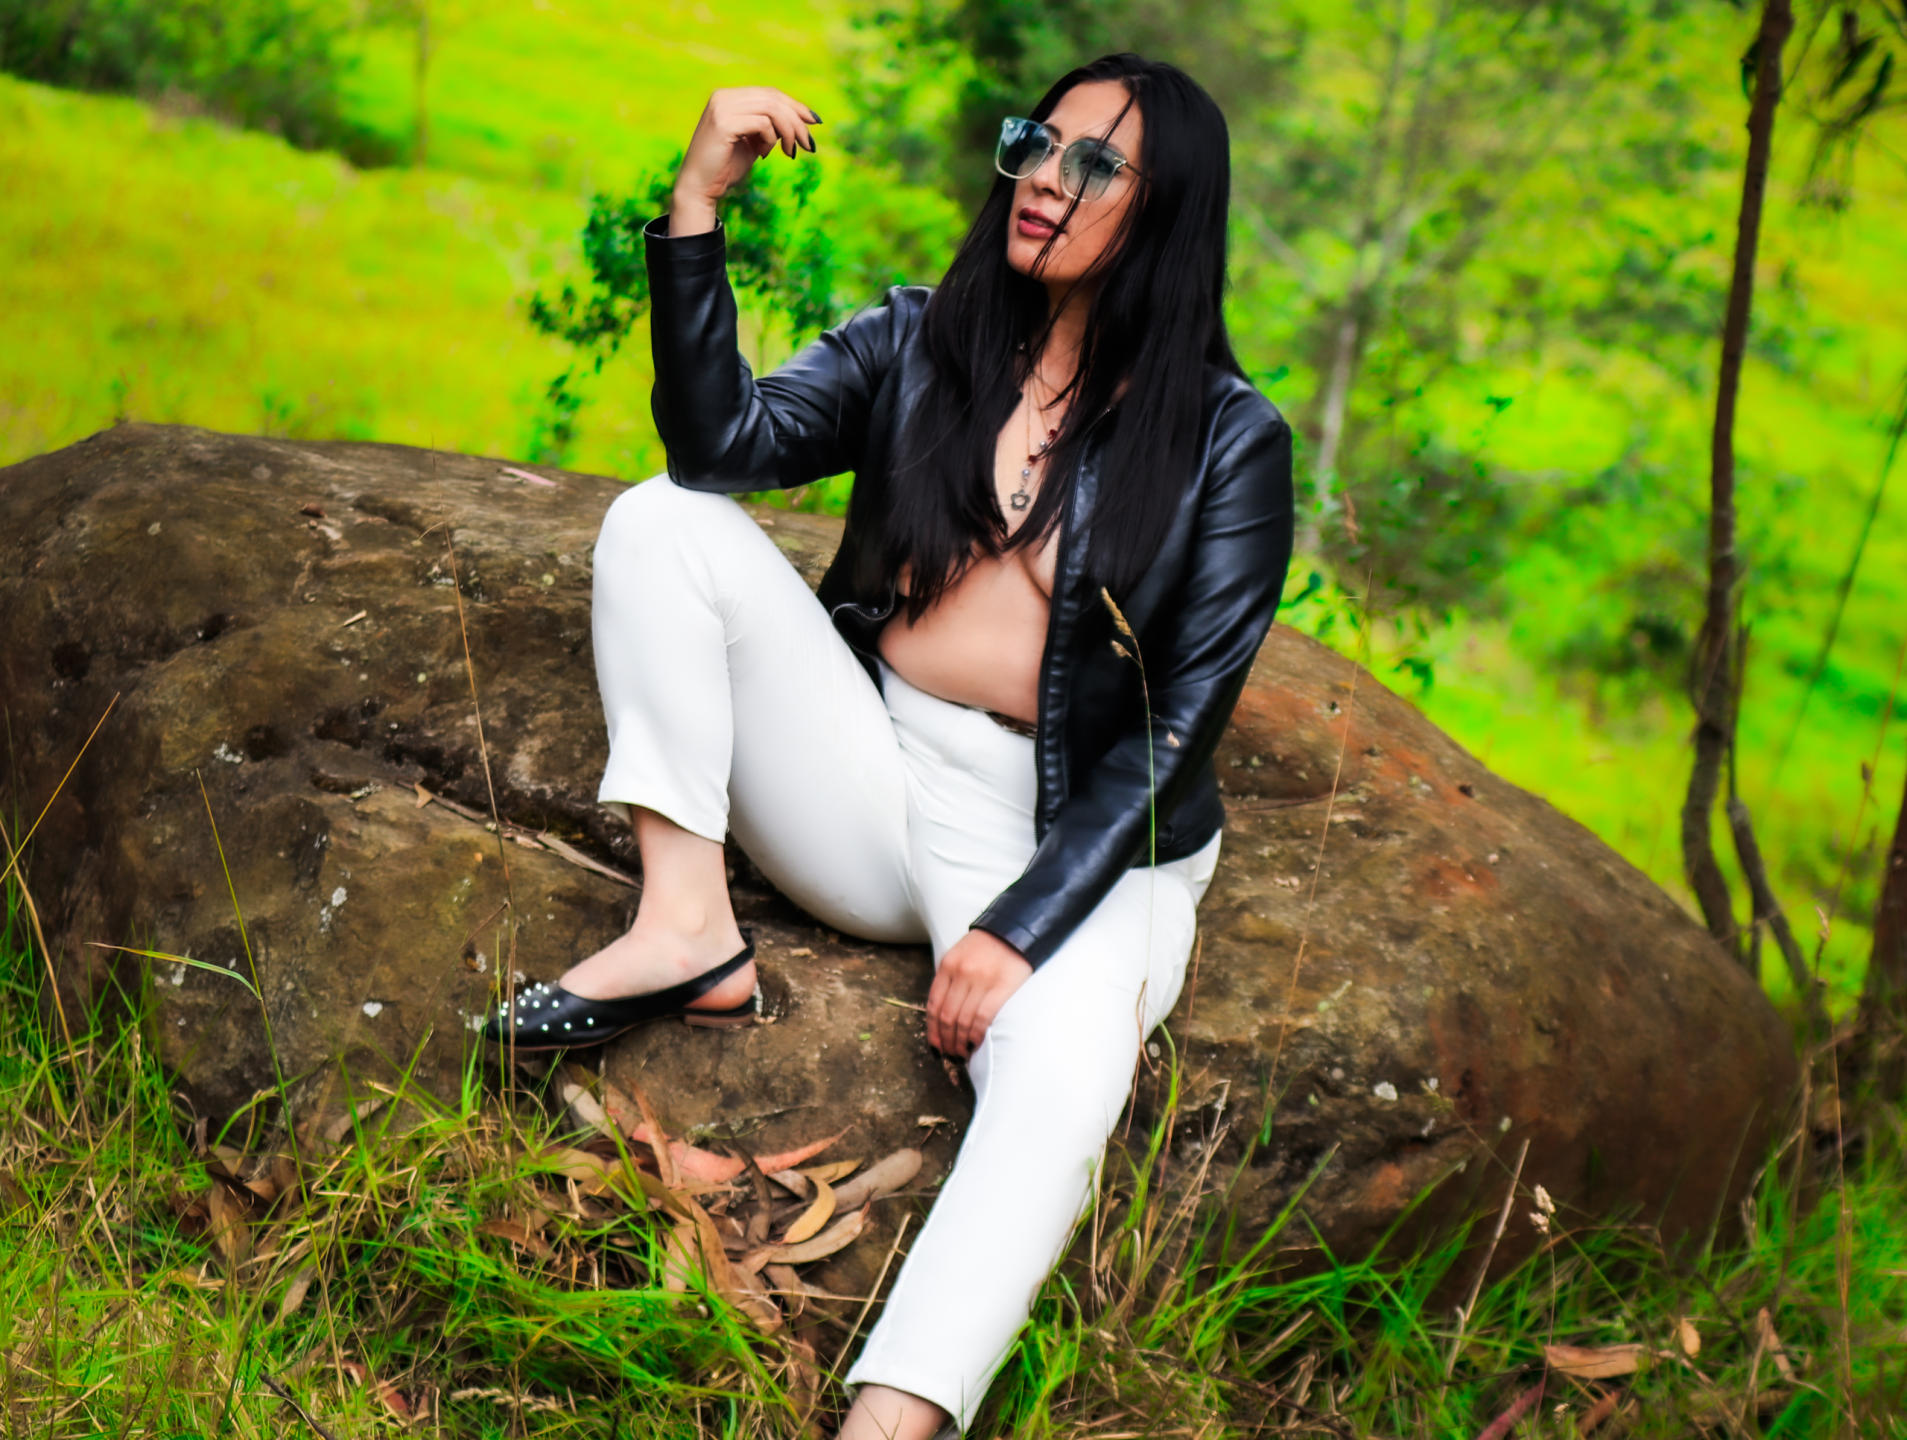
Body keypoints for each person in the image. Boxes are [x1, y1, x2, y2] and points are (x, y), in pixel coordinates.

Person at [483, 51, 1294, 1440]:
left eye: (1097, 164)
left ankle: (891, 1421)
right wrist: (695, 207)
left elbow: (1179, 725)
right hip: (876, 767)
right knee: (660, 523)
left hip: (1078, 843)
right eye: (1038, 143)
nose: (1044, 178)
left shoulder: (1230, 443)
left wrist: (1020, 930)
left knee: (1062, 1081)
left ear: (1168, 212)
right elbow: (721, 446)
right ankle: (687, 928)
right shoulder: (923, 339)